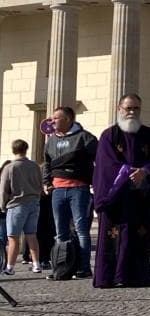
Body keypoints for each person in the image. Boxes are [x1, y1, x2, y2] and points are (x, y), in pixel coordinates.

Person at [92, 93, 150, 288]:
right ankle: (109, 277)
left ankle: (135, 276)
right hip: (115, 198)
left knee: (138, 236)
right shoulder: (109, 135)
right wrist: (126, 173)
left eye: (136, 108)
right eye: (128, 108)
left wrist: (145, 171)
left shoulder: (148, 134)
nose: (132, 112)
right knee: (113, 238)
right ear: (119, 109)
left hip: (139, 196)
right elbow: (106, 165)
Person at [43, 105, 97, 278]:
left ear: (67, 119)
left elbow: (100, 161)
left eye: (55, 118)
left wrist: (95, 182)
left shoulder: (85, 138)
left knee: (81, 230)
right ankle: (62, 268)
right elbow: (47, 164)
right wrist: (46, 182)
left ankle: (84, 267)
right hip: (57, 190)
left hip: (78, 189)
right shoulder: (50, 140)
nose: (51, 121)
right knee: (60, 231)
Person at [1, 139, 42, 275]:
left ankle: (10, 267)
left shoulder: (10, 167)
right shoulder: (35, 166)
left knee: (13, 237)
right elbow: (40, 184)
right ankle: (36, 264)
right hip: (34, 202)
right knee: (32, 235)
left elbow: (3, 189)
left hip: (16, 204)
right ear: (26, 149)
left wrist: (2, 205)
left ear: (13, 150)